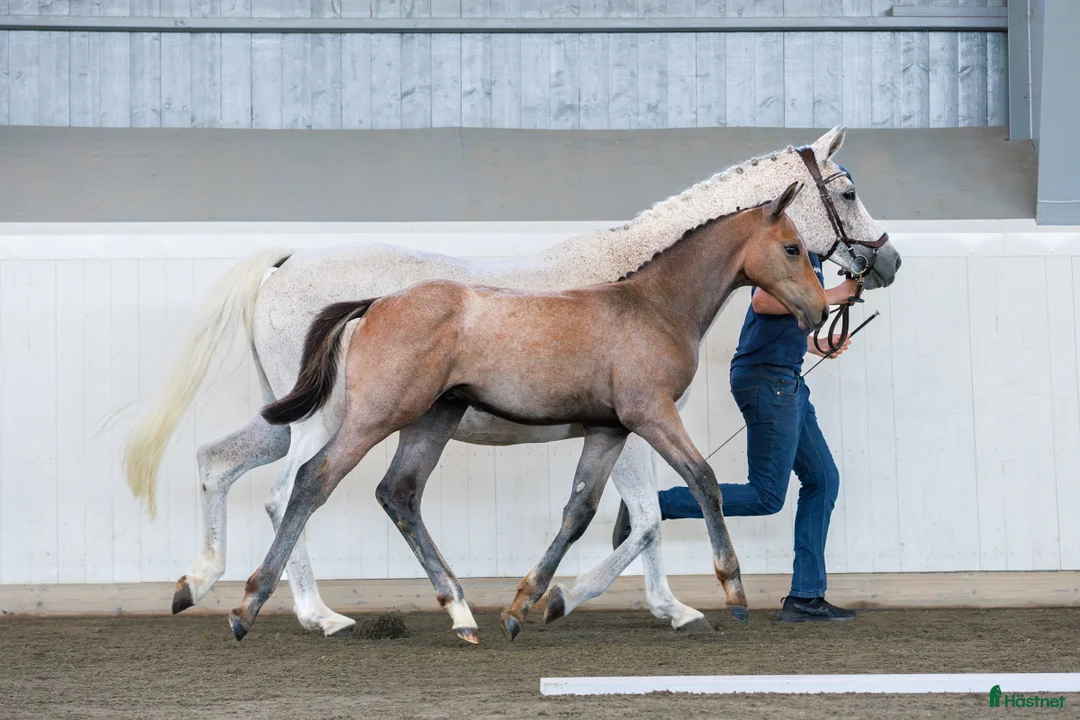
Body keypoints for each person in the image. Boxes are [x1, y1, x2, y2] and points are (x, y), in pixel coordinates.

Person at [611, 251, 858, 622]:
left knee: (823, 480)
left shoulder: (812, 259)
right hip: (769, 381)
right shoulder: (791, 252)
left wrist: (812, 345)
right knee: (766, 495)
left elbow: (773, 326)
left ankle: (806, 597)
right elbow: (762, 302)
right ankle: (649, 506)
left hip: (785, 378)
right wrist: (836, 294)